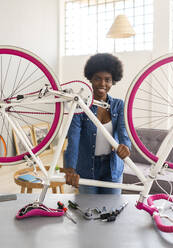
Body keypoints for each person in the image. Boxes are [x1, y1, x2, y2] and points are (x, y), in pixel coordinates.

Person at [63, 53, 131, 194]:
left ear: (113, 82)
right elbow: (73, 139)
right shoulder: (80, 105)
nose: (102, 84)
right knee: (87, 212)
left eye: (107, 80)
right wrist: (70, 168)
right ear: (90, 79)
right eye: (97, 79)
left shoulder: (119, 105)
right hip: (87, 168)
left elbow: (124, 133)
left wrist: (126, 146)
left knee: (112, 210)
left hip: (112, 168)